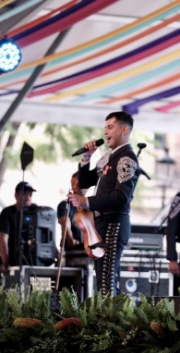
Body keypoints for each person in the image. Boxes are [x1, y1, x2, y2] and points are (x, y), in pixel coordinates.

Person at [68, 111, 140, 296]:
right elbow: (84, 182)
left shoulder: (126, 158)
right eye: (105, 127)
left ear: (124, 129)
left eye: (110, 127)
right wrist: (86, 158)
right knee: (102, 279)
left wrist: (87, 201)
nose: (105, 132)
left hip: (114, 222)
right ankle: (105, 319)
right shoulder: (108, 157)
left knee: (107, 278)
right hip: (100, 222)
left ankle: (113, 321)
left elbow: (121, 196)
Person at [0, 182, 37, 292]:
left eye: (30, 194)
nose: (27, 197)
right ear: (16, 195)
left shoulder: (36, 212)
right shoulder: (8, 213)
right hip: (7, 261)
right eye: (24, 194)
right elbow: (3, 239)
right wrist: (5, 262)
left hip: (28, 262)